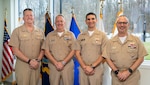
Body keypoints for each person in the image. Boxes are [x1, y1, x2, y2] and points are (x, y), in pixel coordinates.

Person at [103, 15, 148, 85]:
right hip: (116, 77)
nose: (122, 25)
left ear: (128, 25)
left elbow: (141, 57)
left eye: (124, 23)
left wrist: (128, 72)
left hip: (132, 77)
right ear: (116, 25)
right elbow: (107, 58)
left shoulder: (136, 40)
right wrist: (117, 72)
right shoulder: (110, 42)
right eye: (120, 23)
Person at [9, 8, 44, 85]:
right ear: (23, 18)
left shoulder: (40, 31)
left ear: (34, 17)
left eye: (31, 15)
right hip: (23, 66)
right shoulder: (17, 31)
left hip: (36, 65)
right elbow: (15, 50)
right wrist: (29, 61)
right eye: (27, 15)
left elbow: (43, 49)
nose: (29, 17)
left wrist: (37, 60)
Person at [75, 12, 108, 85]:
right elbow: (77, 53)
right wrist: (84, 67)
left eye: (93, 19)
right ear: (86, 21)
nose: (91, 21)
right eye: (88, 19)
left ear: (96, 20)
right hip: (83, 69)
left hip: (97, 69)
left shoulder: (102, 36)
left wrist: (92, 67)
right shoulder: (80, 36)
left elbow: (104, 53)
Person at [42, 14, 75, 85]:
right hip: (54, 65)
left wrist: (63, 62)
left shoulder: (71, 35)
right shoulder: (49, 35)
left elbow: (73, 50)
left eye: (61, 21)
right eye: (57, 21)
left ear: (64, 22)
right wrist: (56, 63)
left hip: (67, 65)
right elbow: (46, 51)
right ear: (55, 23)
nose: (59, 23)